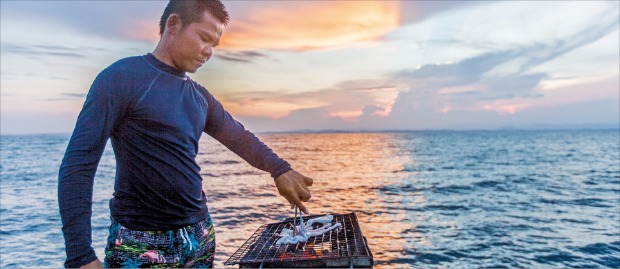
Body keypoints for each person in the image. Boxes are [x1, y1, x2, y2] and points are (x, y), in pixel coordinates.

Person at [58, 0, 314, 268]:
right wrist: (80, 256)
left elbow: (240, 138)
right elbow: (78, 165)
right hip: (140, 242)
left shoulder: (199, 96)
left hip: (200, 235)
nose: (209, 52)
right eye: (204, 38)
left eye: (214, 45)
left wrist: (279, 169)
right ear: (174, 24)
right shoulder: (122, 78)